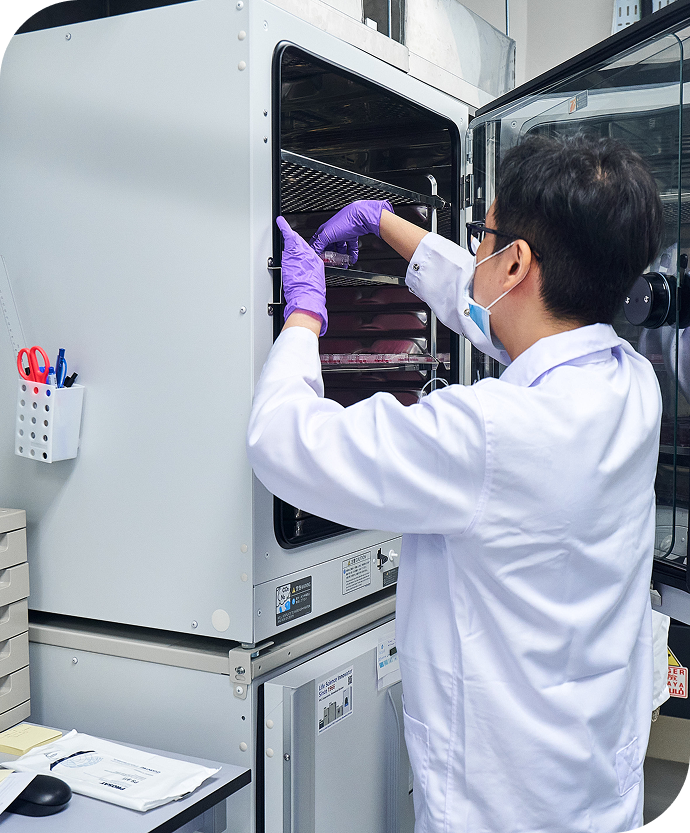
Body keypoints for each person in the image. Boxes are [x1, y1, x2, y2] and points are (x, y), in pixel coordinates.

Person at [246, 134, 664, 833]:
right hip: (597, 792)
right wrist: (383, 223)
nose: (477, 252)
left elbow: (284, 443)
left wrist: (303, 314)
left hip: (502, 811)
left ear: (518, 262)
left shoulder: (487, 435)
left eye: (485, 236)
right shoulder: (632, 382)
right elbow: (504, 322)